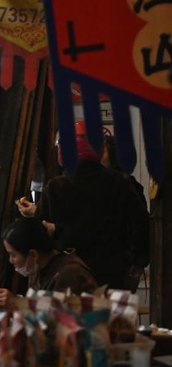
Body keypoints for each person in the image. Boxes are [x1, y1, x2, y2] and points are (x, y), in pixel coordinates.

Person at [16, 121, 149, 291]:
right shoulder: (120, 182)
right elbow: (140, 228)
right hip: (113, 277)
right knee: (110, 318)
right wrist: (137, 265)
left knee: (70, 319)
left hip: (67, 277)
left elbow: (41, 234)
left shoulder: (56, 187)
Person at [0, 218, 98, 309]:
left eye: (13, 254)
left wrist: (17, 304)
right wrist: (2, 302)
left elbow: (59, 321)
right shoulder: (38, 269)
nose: (11, 260)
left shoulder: (70, 274)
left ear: (33, 255)